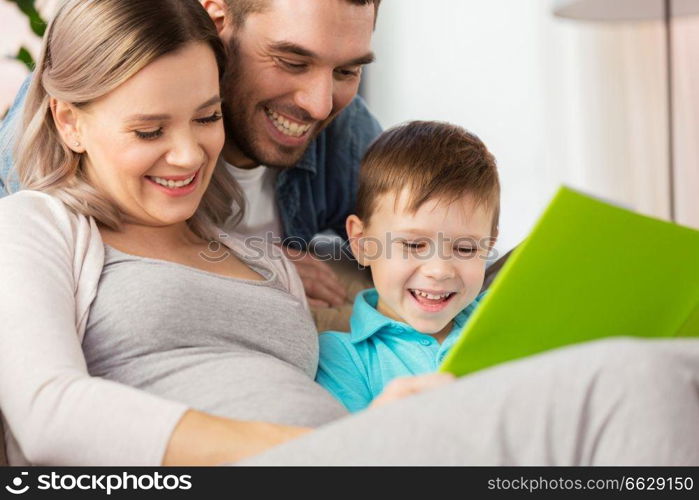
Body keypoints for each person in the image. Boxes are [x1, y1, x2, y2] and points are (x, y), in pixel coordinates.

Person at [2, 0, 698, 467]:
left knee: (667, 364)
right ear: (69, 122)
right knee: (637, 379)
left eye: (207, 117)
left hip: (352, 447)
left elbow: (414, 255)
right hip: (302, 457)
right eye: (150, 131)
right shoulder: (40, 222)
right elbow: (48, 411)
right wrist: (307, 444)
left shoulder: (268, 246)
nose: (188, 154)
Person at [0, 0, 384, 312]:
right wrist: (252, 268)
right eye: (291, 62)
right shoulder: (50, 136)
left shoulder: (344, 131)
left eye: (347, 71)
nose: (319, 106)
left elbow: (421, 240)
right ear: (218, 20)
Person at [316, 121, 498, 412]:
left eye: (465, 248)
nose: (439, 270)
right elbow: (345, 448)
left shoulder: (500, 316)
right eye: (414, 245)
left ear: (488, 245)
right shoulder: (342, 355)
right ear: (363, 243)